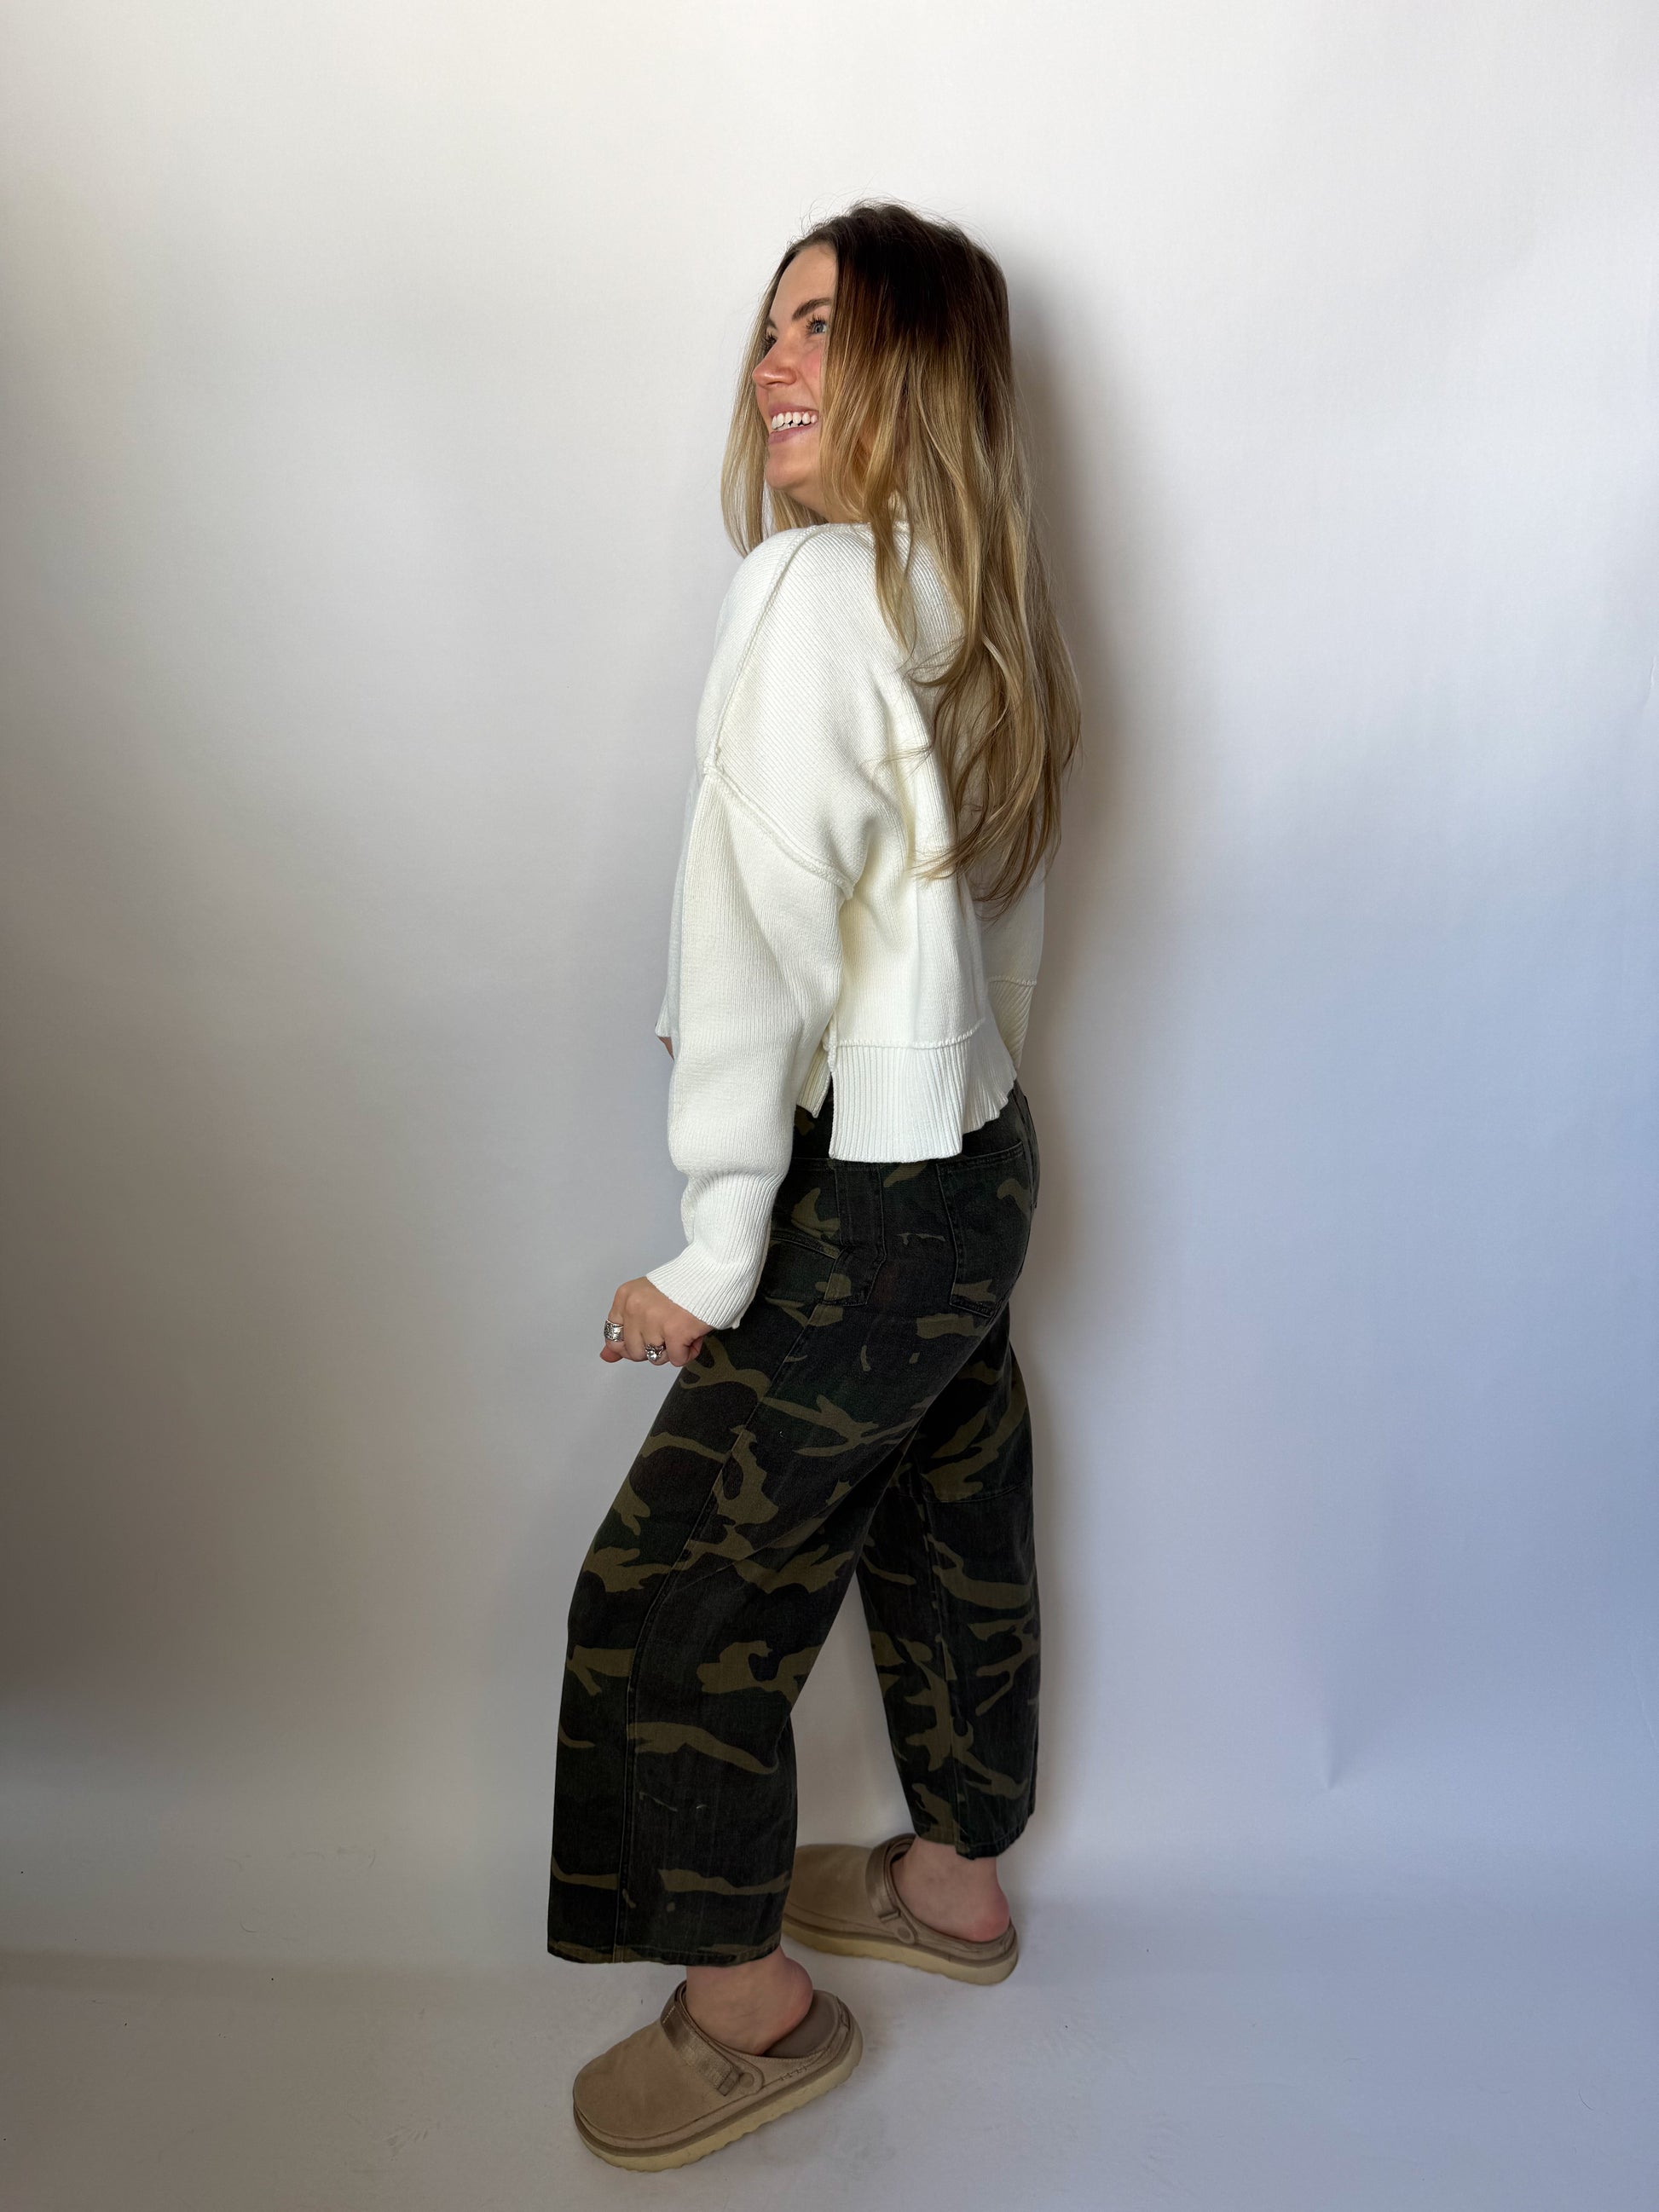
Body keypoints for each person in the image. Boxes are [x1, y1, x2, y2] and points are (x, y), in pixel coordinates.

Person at [548, 199, 1079, 2171]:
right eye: (771, 327)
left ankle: (746, 2005)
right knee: (947, 1514)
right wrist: (949, 1114)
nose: (773, 362)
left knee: (671, 1593)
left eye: (824, 329)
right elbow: (990, 941)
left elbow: (751, 949)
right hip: (978, 1166)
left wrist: (712, 1248)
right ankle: (952, 1875)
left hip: (863, 1198)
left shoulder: (807, 590)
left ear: (918, 368)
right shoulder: (981, 596)